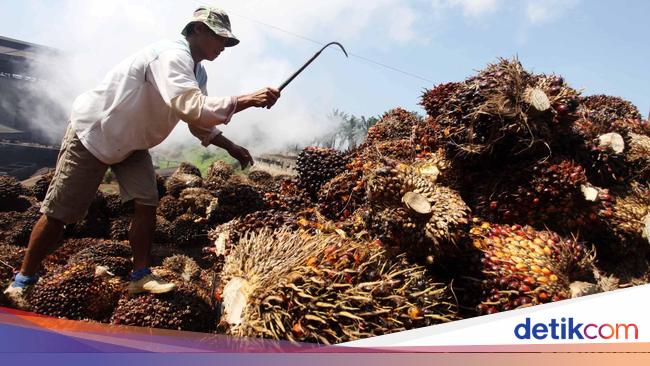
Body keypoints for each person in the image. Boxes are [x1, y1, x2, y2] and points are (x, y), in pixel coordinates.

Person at [3, 6, 280, 307]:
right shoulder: (171, 56)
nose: (223, 47)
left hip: (133, 144)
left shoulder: (198, 71)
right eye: (219, 39)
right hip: (96, 134)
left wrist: (230, 146)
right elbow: (191, 106)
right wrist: (247, 100)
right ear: (196, 29)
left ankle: (140, 276)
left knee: (146, 202)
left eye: (227, 42)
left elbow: (198, 121)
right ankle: (23, 281)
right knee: (60, 213)